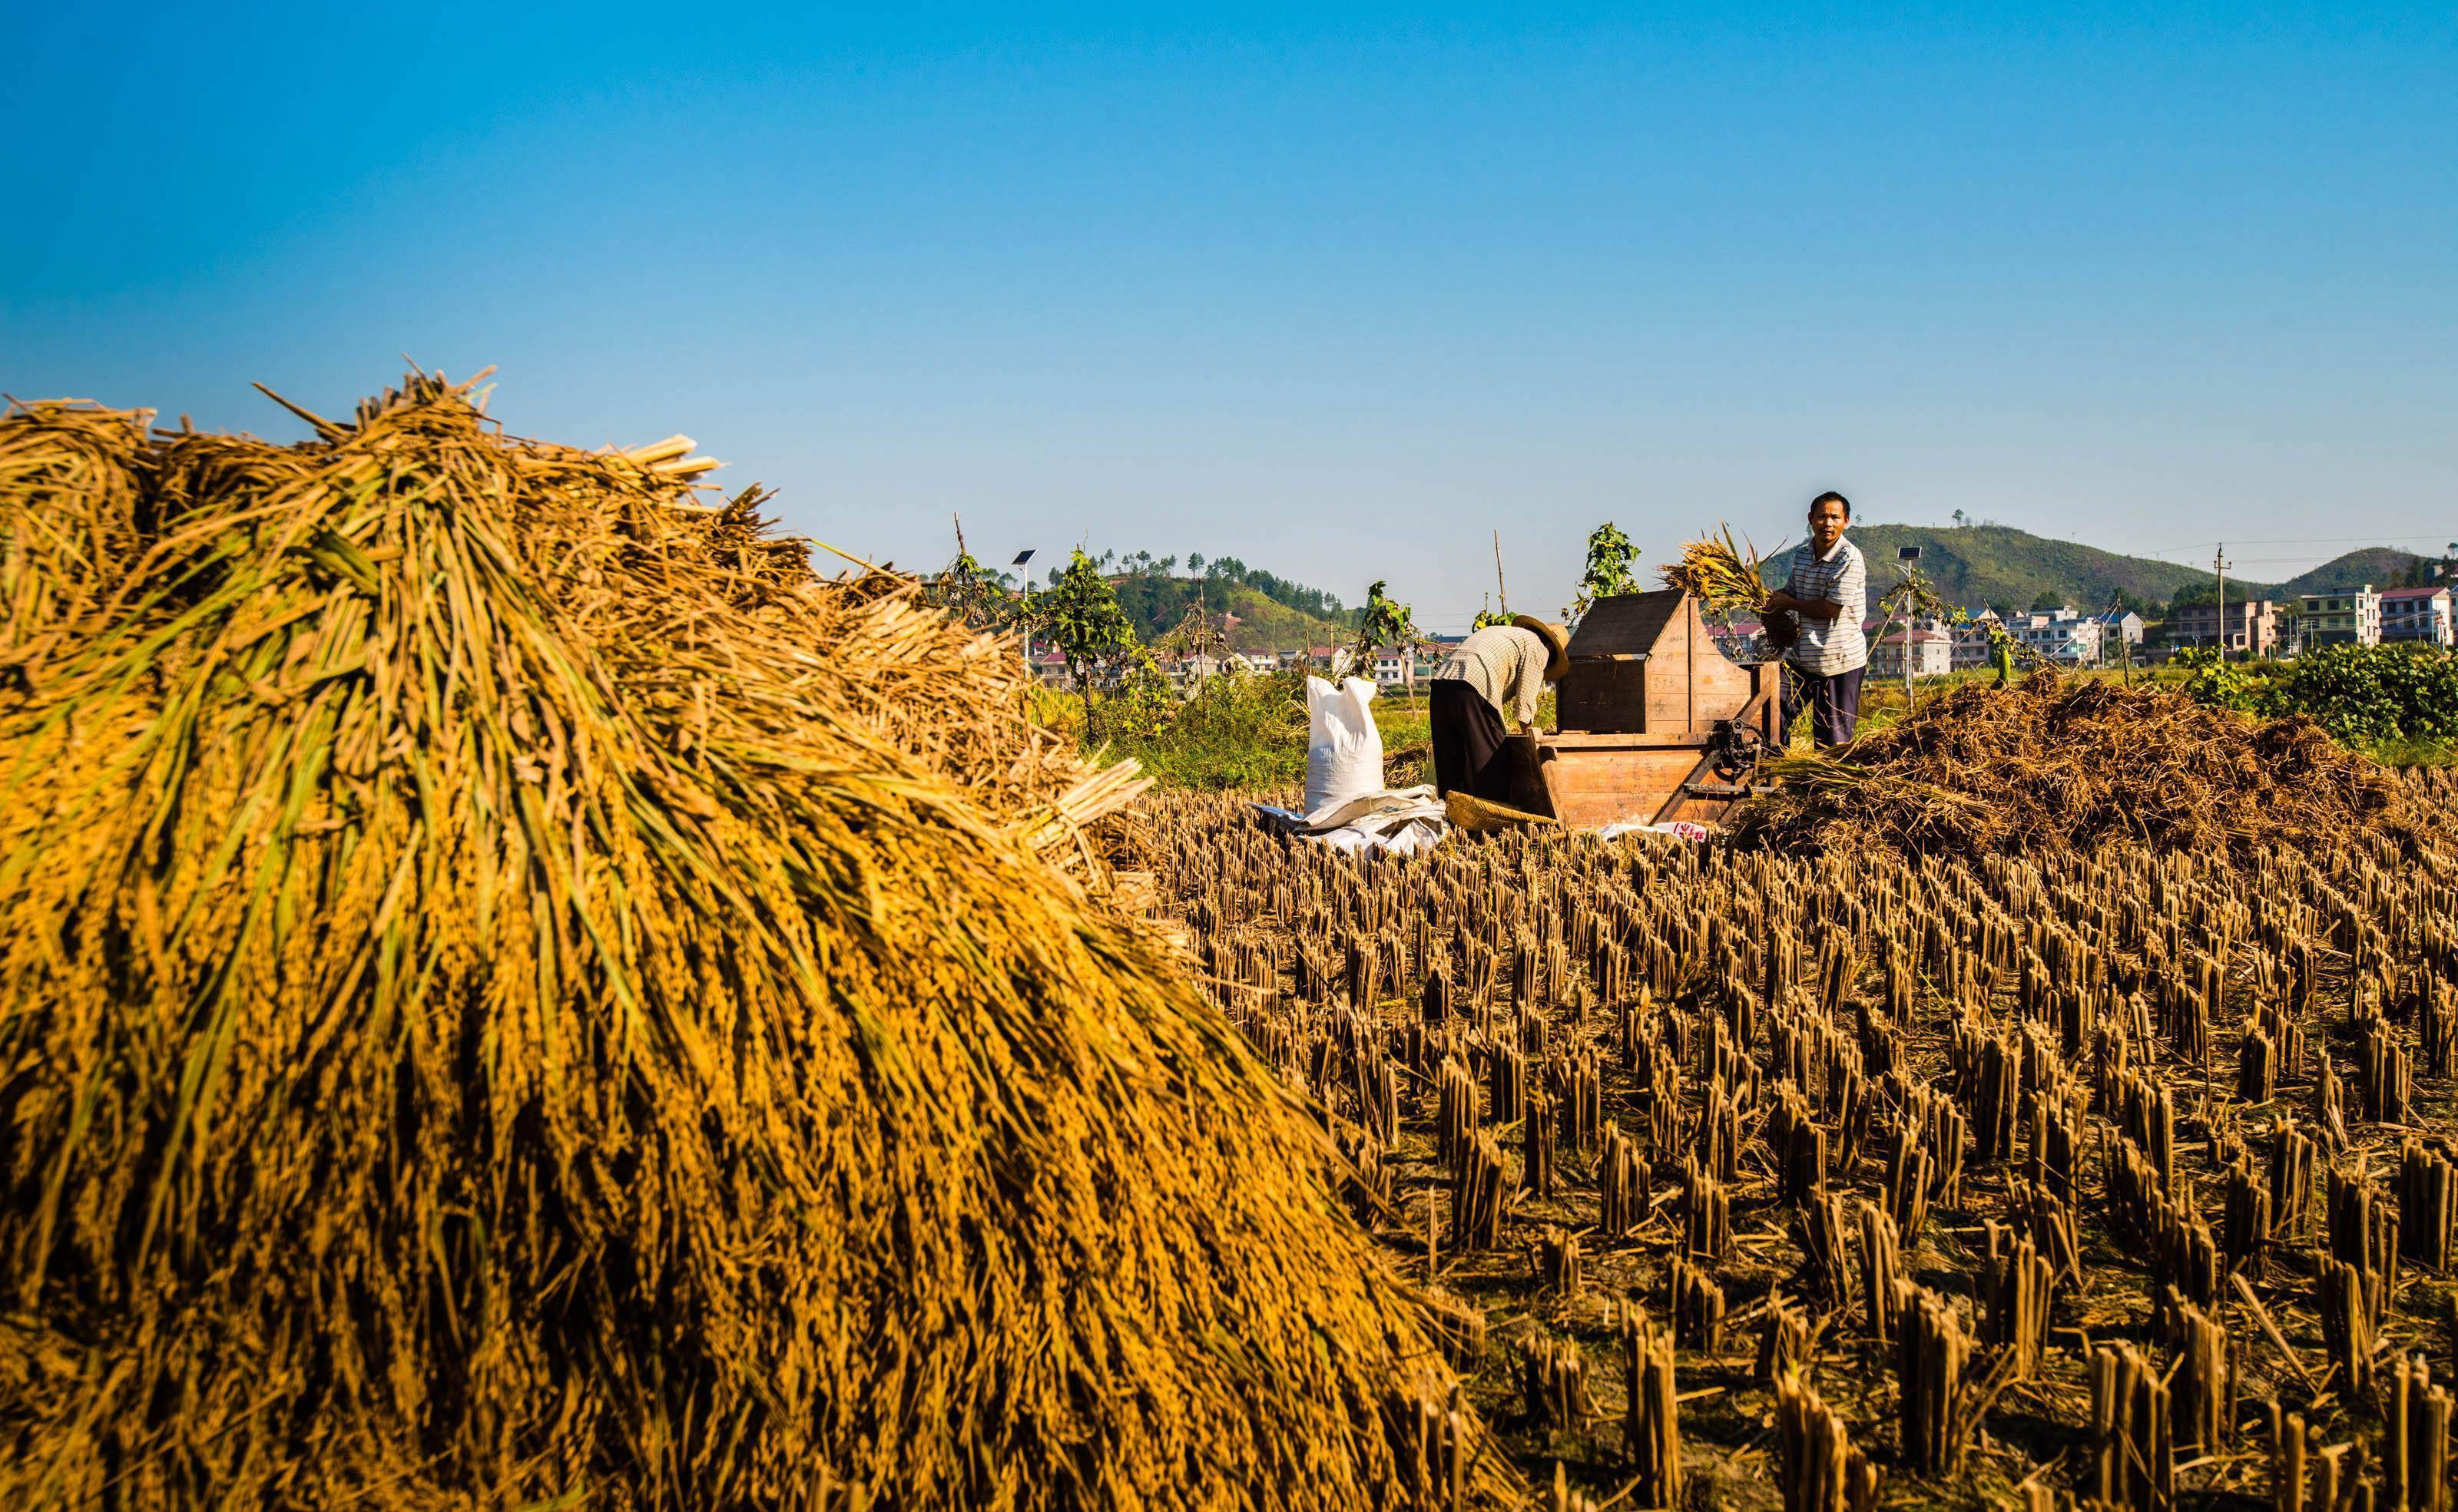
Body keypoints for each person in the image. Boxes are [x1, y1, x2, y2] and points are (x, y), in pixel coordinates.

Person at [1762, 491, 1867, 748]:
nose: (1828, 523)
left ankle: (1828, 787)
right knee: (1770, 715)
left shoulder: (1849, 558)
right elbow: (1792, 592)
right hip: (1803, 659)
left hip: (1839, 662)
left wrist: (1789, 603)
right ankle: (1773, 775)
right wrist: (1770, 601)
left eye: (1834, 517)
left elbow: (1831, 609)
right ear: (1810, 519)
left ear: (1846, 521)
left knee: (1832, 740)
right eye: (1822, 516)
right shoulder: (1802, 555)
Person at [1428, 615, 1570, 802]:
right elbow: (1524, 704)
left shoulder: (1506, 634)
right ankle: (1492, 822)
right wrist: (1532, 745)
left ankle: (1450, 819)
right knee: (1493, 761)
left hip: (1441, 684)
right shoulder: (1538, 647)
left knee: (1450, 763)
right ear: (1551, 647)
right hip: (1472, 686)